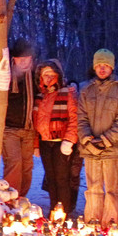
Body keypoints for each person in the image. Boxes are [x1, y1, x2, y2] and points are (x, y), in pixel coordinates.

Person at [77, 49, 118, 225]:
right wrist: (87, 139)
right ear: (94, 67)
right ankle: (92, 223)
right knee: (93, 188)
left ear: (112, 68)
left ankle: (110, 224)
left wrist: (106, 140)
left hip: (112, 148)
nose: (102, 69)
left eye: (106, 66)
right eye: (99, 65)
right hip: (91, 147)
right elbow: (81, 118)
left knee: (111, 189)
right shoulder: (86, 89)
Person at [33, 59, 82, 216]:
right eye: (44, 75)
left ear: (58, 75)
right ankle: (54, 211)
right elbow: (35, 122)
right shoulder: (40, 97)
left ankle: (64, 212)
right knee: (51, 179)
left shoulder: (68, 93)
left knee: (62, 180)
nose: (47, 78)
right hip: (45, 143)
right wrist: (35, 145)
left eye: (51, 74)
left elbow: (75, 118)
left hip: (62, 142)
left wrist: (69, 140)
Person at [1, 38, 39, 196]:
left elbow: (53, 84)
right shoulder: (6, 76)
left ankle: (21, 198)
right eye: (20, 59)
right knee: (14, 163)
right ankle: (10, 199)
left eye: (27, 59)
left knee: (27, 166)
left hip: (29, 129)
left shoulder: (36, 76)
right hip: (9, 129)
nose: (24, 63)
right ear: (13, 60)